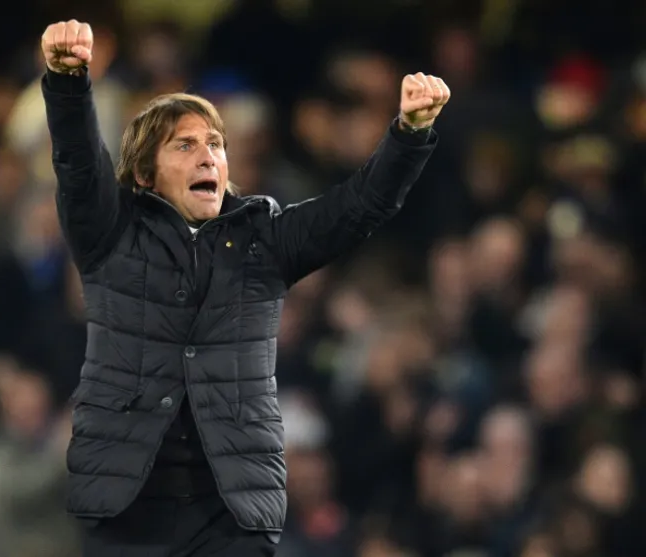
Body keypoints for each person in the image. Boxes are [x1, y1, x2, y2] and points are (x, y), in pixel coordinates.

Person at [41, 19, 449, 557]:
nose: (207, 155)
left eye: (215, 144)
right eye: (185, 145)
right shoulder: (110, 235)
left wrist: (409, 134)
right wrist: (69, 82)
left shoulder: (263, 239)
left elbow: (358, 207)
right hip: (127, 512)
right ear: (143, 173)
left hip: (231, 515)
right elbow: (77, 164)